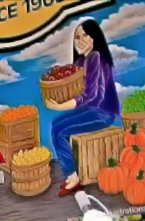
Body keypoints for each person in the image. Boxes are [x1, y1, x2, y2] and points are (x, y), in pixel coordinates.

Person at [45, 18, 120, 196]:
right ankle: (72, 175)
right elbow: (75, 88)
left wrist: (61, 106)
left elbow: (92, 95)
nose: (81, 40)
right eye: (77, 37)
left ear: (95, 37)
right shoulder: (82, 61)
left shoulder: (96, 57)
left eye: (86, 35)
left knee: (60, 130)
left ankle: (73, 177)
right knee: (56, 124)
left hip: (103, 112)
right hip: (91, 110)